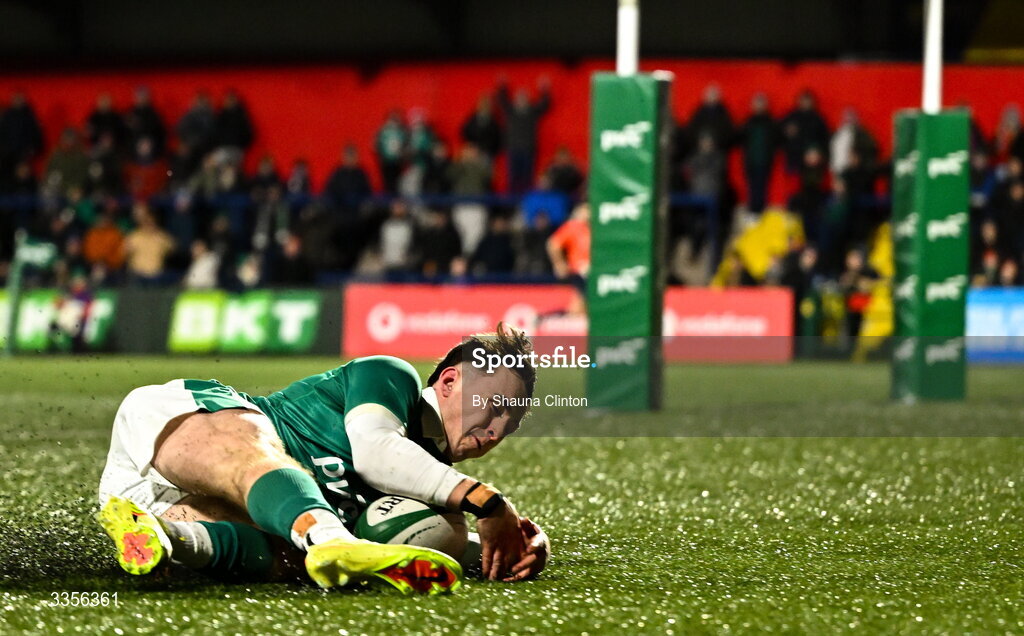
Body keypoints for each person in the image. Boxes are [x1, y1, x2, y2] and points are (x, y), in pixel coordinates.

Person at [96, 324, 549, 593]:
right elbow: (376, 452)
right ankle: (330, 536)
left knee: (291, 557)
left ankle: (166, 538)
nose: (496, 429)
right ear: (449, 381)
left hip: (157, 503)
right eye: (495, 406)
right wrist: (488, 502)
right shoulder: (393, 377)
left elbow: (446, 547)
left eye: (511, 423)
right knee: (264, 460)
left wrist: (520, 549)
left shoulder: (431, 487)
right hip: (187, 428)